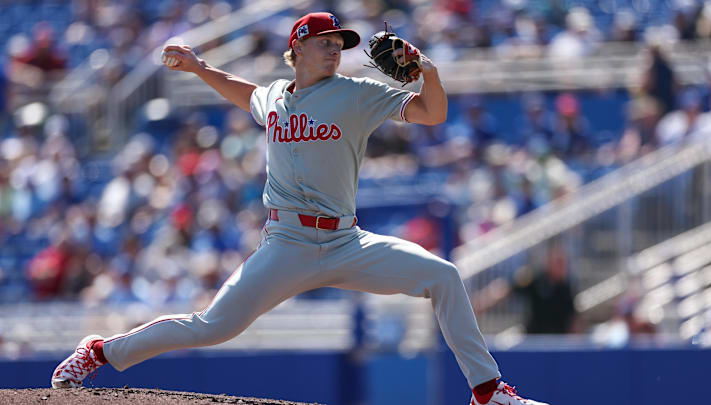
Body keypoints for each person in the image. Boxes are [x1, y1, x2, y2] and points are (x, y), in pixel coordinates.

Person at [50, 12, 548, 405]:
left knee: (443, 275)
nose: (335, 48)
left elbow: (432, 113)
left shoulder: (356, 94)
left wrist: (429, 74)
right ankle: (100, 351)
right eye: (325, 41)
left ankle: (489, 392)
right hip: (286, 243)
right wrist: (201, 68)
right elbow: (246, 92)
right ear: (297, 49)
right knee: (214, 326)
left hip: (345, 241)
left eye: (339, 43)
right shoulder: (275, 98)